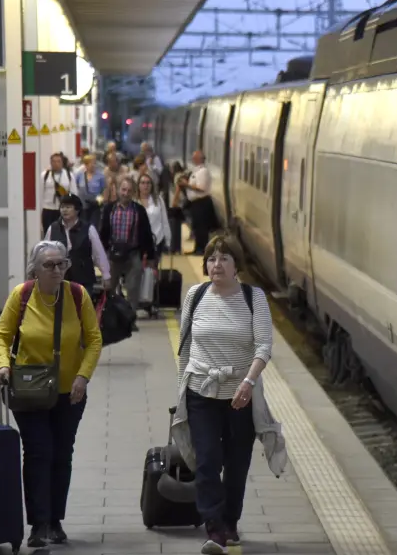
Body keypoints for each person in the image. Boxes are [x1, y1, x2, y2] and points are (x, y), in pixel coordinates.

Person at [171, 233, 284, 554]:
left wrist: (248, 382)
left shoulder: (254, 297)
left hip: (240, 395)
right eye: (211, 259)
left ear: (237, 266)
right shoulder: (195, 294)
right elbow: (185, 348)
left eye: (223, 258)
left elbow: (264, 346)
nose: (216, 264)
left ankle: (230, 521)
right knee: (207, 461)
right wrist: (181, 390)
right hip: (200, 392)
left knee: (237, 464)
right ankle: (214, 529)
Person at [0, 240, 103, 548]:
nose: (57, 270)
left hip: (70, 392)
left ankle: (56, 521)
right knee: (39, 452)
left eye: (61, 264)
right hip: (30, 390)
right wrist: (3, 366)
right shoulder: (22, 296)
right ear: (34, 270)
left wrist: (83, 376)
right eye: (49, 265)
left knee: (61, 454)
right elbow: (2, 336)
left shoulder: (78, 296)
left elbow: (93, 340)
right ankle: (39, 524)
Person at [98, 175, 157, 315]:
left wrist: (150, 256)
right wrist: (101, 254)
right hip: (113, 254)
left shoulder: (139, 210)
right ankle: (109, 317)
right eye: (123, 190)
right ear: (118, 190)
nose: (125, 193)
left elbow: (147, 234)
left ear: (133, 192)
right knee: (109, 286)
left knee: (133, 287)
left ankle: (130, 318)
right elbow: (103, 233)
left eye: (129, 191)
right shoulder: (109, 210)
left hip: (133, 253)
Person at [44, 194, 112, 297]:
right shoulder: (53, 228)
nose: (64, 210)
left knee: (81, 311)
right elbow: (45, 253)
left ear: (77, 210)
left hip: (83, 279)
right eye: (62, 207)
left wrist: (106, 275)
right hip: (59, 279)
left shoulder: (88, 229)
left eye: (68, 207)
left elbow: (99, 254)